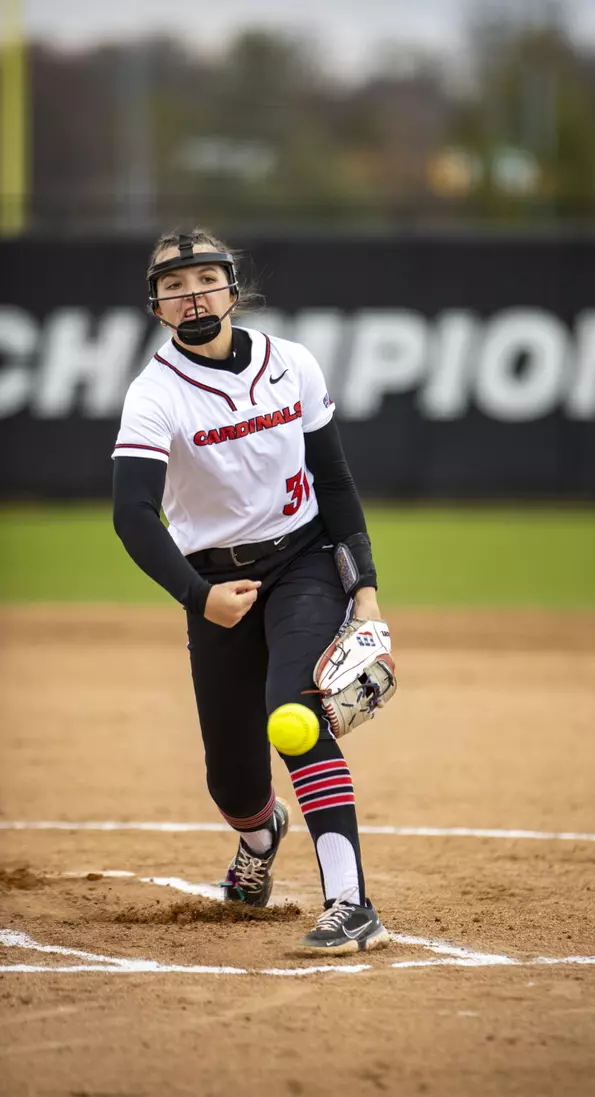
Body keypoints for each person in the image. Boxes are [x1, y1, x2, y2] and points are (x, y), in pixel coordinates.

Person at [112, 228, 392, 954]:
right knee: (232, 783)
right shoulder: (154, 395)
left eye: (205, 278)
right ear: (157, 307)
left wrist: (361, 586)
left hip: (302, 559)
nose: (192, 294)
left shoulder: (289, 362)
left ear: (233, 289)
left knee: (293, 716)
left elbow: (332, 479)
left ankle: (350, 902)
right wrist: (195, 597)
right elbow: (132, 514)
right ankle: (260, 837)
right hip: (212, 580)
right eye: (173, 286)